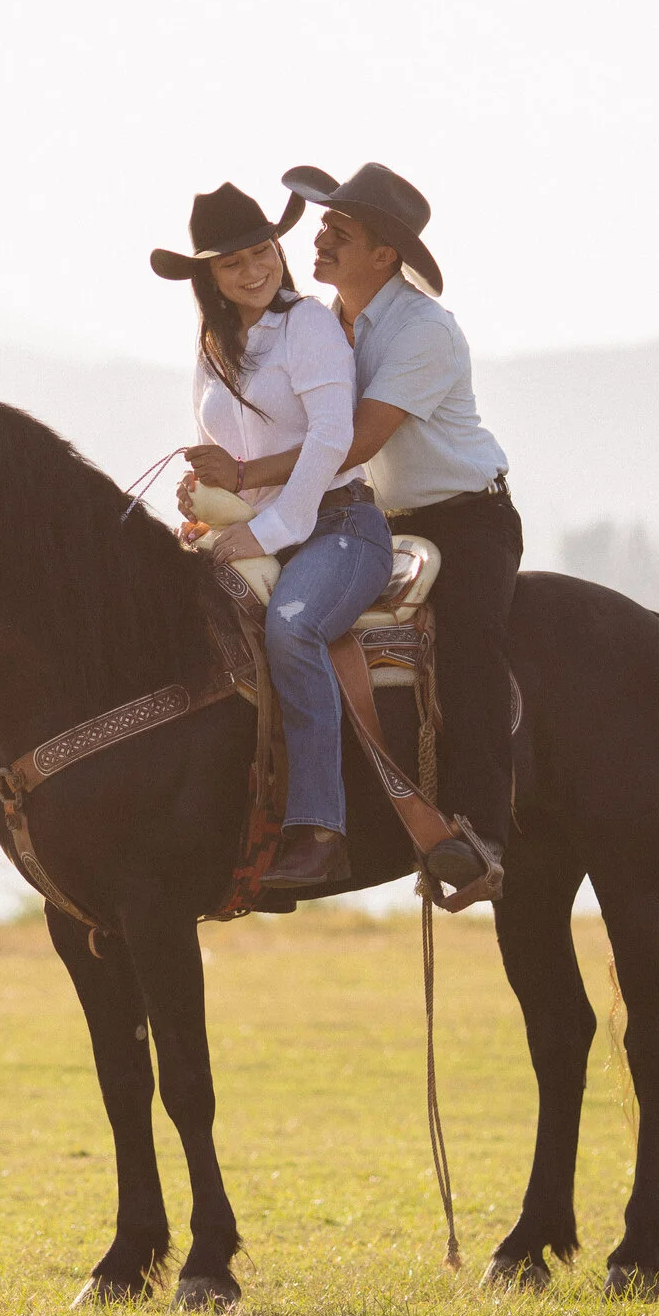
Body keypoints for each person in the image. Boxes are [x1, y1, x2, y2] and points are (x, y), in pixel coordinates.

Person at [224, 163, 515, 890]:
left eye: (339, 232)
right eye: (323, 227)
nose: (318, 240)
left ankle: (483, 831)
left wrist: (245, 479)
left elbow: (353, 441)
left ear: (385, 255)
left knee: (470, 654)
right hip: (371, 516)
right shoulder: (321, 322)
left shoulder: (425, 332)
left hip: (465, 518)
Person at [151, 183, 394, 889]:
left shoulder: (308, 326)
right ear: (210, 277)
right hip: (251, 529)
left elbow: (332, 437)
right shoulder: (211, 347)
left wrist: (272, 527)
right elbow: (214, 446)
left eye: (261, 252)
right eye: (232, 263)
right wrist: (205, 504)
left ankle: (320, 828)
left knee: (292, 626)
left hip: (338, 526)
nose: (252, 270)